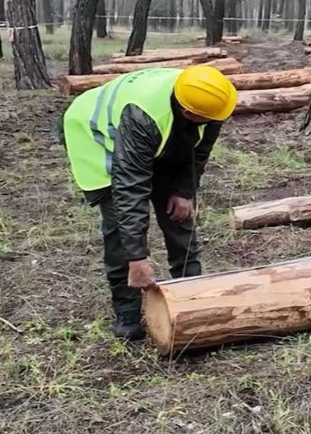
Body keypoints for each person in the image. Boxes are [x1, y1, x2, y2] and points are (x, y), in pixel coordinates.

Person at [60, 65, 237, 340]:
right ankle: (127, 311)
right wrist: (137, 259)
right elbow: (130, 191)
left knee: (179, 216)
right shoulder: (143, 117)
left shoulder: (213, 102)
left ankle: (191, 293)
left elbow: (199, 150)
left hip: (153, 135)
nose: (213, 123)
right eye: (204, 119)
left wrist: (184, 191)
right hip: (98, 138)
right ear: (188, 112)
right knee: (120, 226)